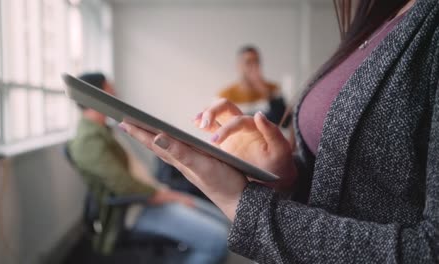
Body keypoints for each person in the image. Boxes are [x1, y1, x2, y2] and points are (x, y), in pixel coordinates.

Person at [119, 0, 439, 263]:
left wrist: (241, 203)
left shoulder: (271, 88)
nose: (251, 67)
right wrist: (286, 177)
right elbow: (333, 169)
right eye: (246, 62)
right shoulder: (373, 23)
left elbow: (428, 247)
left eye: (255, 61)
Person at [68, 73, 229, 264]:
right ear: (96, 93)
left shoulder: (104, 130)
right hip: (136, 208)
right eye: (109, 88)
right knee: (219, 240)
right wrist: (173, 196)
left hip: (151, 196)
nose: (115, 92)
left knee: (225, 223)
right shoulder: (89, 140)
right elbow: (124, 186)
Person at [218, 45, 287, 125]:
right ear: (239, 66)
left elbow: (284, 122)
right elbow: (221, 125)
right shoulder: (225, 95)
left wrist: (266, 92)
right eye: (248, 62)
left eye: (256, 61)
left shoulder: (274, 89)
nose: (253, 66)